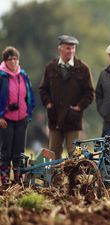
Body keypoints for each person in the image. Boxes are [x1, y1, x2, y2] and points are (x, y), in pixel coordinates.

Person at [39, 35, 94, 159]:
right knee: (53, 153)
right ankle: (55, 178)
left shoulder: (83, 68)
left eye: (73, 48)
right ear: (60, 49)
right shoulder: (51, 67)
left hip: (73, 120)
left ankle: (73, 179)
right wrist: (48, 104)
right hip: (55, 118)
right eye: (68, 48)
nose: (71, 51)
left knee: (74, 154)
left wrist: (79, 107)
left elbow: (90, 93)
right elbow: (43, 89)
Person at [0, 46, 35, 184]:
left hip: (22, 119)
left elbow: (30, 95)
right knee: (6, 152)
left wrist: (28, 113)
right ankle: (4, 180)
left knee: (19, 152)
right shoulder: (2, 76)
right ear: (5, 61)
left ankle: (19, 179)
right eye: (10, 59)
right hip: (6, 120)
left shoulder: (23, 75)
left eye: (15, 59)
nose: (13, 62)